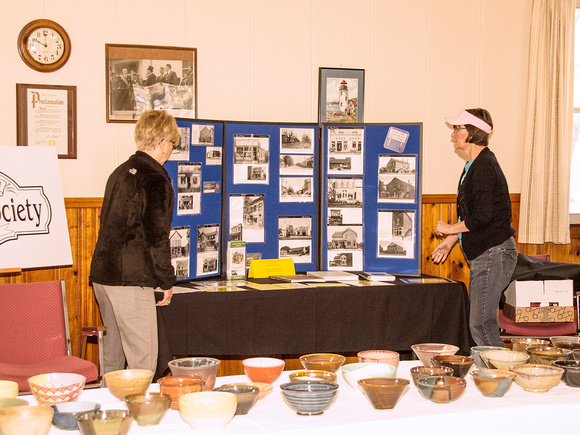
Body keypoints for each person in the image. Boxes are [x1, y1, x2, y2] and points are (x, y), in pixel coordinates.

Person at [89, 110, 178, 374]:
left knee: (113, 361)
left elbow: (105, 220)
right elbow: (156, 236)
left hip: (103, 275)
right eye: (173, 143)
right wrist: (166, 280)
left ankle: (108, 414)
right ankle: (141, 416)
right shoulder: (155, 178)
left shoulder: (119, 172)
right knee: (143, 362)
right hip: (131, 279)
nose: (172, 149)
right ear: (162, 143)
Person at [431, 108, 518, 347]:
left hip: (494, 253)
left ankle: (502, 377)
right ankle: (493, 377)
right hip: (488, 254)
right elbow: (471, 214)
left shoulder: (484, 166)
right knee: (480, 323)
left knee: (481, 324)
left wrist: (449, 229)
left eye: (457, 129)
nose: (453, 135)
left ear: (472, 132)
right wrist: (450, 241)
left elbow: (483, 216)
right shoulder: (473, 165)